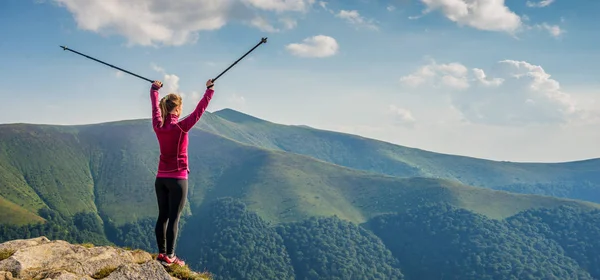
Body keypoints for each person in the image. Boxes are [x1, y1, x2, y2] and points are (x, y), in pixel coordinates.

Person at [149, 79, 215, 266]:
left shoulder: (158, 125)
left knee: (162, 216)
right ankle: (170, 256)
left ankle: (162, 253)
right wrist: (209, 91)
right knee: (174, 219)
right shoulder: (181, 126)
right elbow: (199, 112)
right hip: (178, 178)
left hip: (160, 178)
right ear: (177, 110)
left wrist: (154, 90)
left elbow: (155, 108)